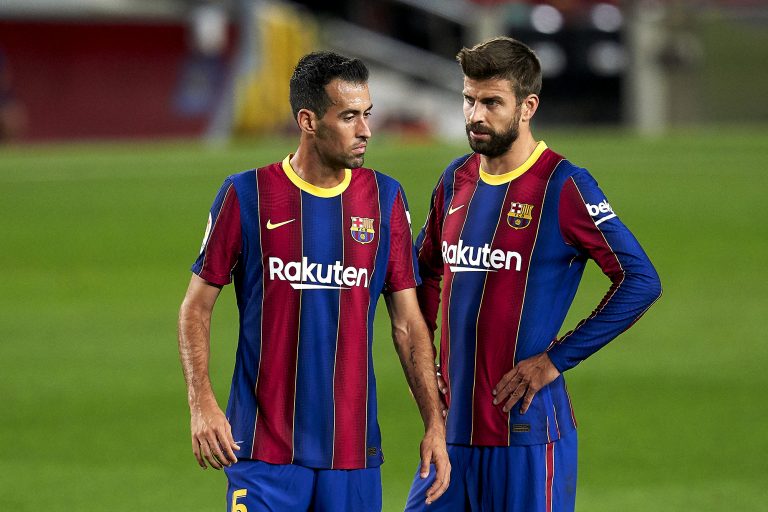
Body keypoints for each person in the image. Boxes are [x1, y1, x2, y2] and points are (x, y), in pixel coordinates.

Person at [178, 51, 450, 512]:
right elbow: (195, 307)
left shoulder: (385, 198)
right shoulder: (247, 194)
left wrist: (434, 425)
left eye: (367, 115)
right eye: (348, 117)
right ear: (307, 121)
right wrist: (201, 402)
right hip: (262, 451)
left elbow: (408, 324)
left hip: (353, 454)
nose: (365, 131)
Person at [405, 37, 662, 511]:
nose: (475, 115)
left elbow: (640, 280)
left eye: (491, 103)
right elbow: (423, 272)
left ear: (527, 107)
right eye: (468, 100)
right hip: (450, 432)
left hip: (526, 434)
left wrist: (555, 359)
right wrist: (427, 361)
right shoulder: (455, 179)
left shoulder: (564, 185)